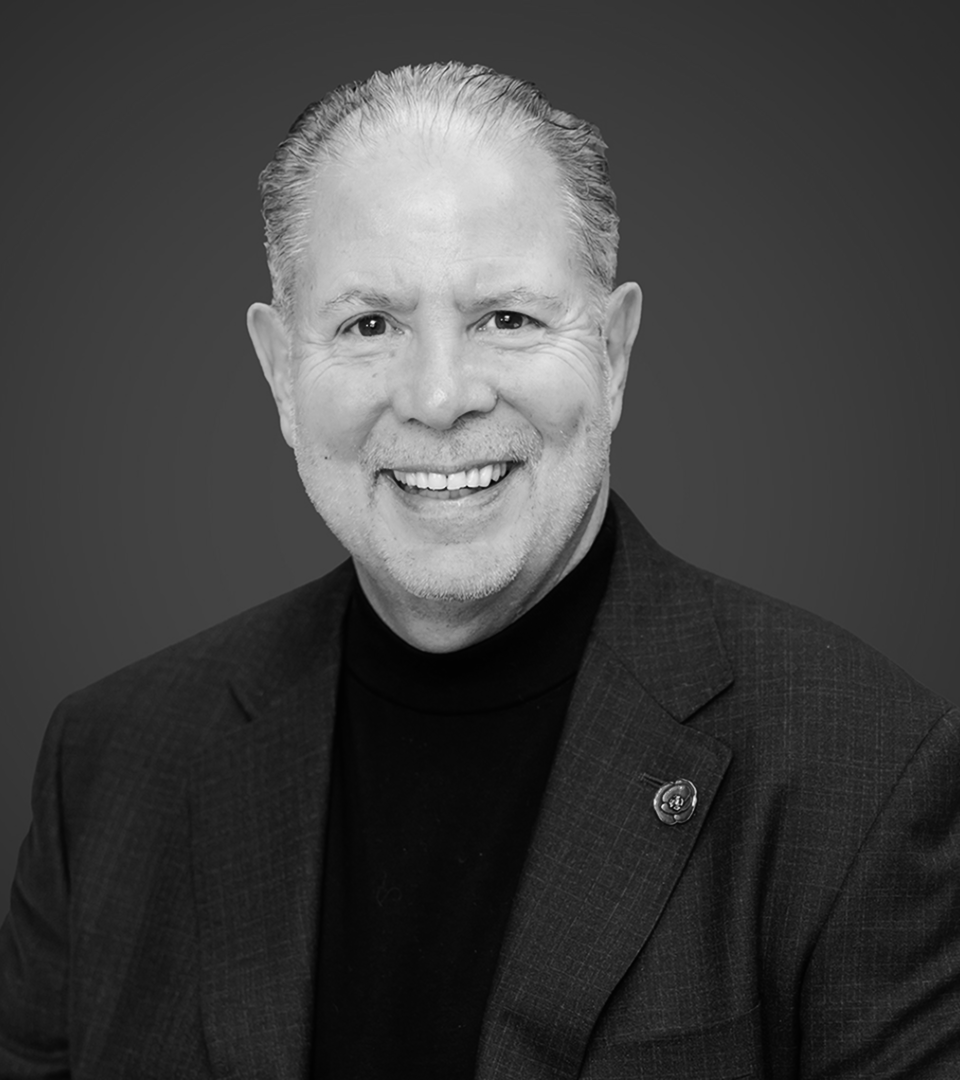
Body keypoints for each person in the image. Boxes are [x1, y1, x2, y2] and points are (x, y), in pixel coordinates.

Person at [0, 60, 957, 1080]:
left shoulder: (862, 774)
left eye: (507, 318)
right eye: (369, 324)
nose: (440, 396)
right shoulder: (110, 761)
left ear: (614, 353)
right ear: (281, 372)